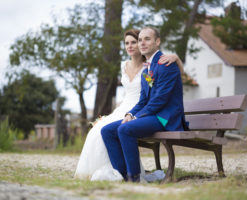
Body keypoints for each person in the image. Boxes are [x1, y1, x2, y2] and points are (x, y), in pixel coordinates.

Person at [74, 28, 183, 181]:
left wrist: (136, 117)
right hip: (151, 114)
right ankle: (122, 174)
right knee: (107, 130)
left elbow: (160, 100)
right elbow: (143, 100)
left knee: (125, 129)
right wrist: (130, 114)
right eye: (140, 40)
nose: (142, 43)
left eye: (147, 39)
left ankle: (134, 178)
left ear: (157, 42)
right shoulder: (147, 69)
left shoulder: (166, 63)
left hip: (164, 117)